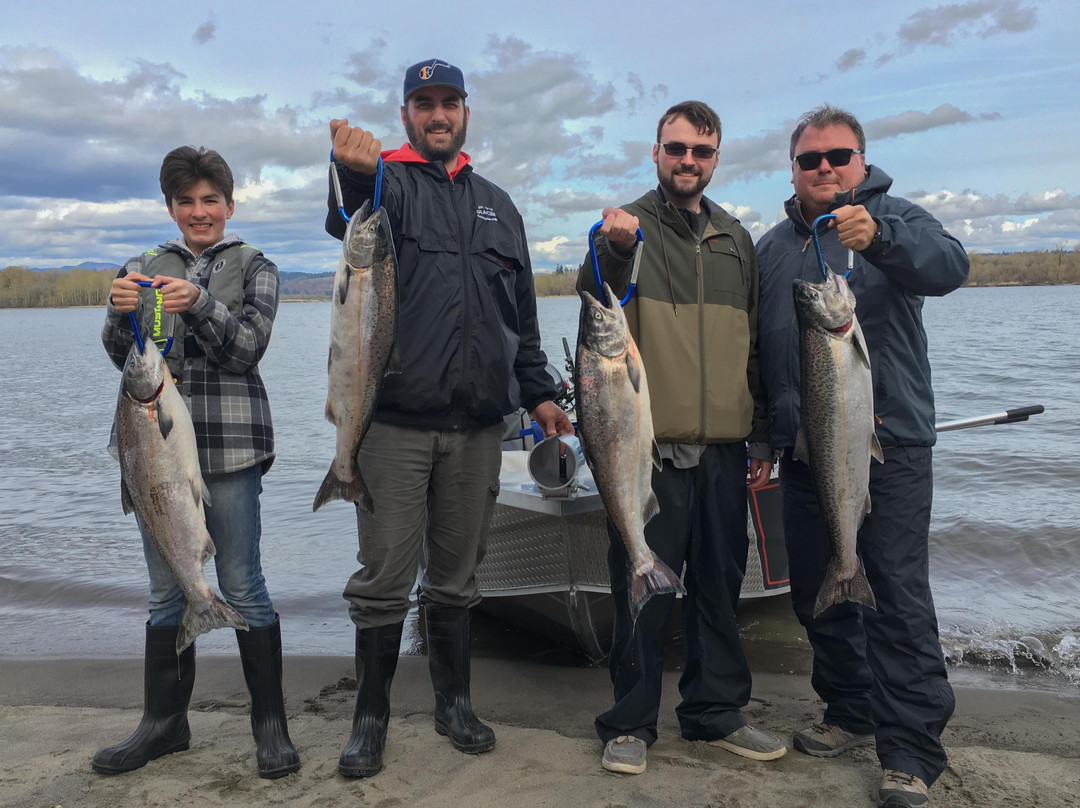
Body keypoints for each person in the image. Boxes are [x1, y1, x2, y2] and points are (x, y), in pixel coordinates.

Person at [325, 58, 573, 779]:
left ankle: (453, 702)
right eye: (423, 104)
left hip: (479, 431)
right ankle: (369, 717)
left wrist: (540, 394)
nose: (438, 115)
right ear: (405, 114)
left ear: (466, 112)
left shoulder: (501, 205)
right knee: (384, 578)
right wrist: (352, 173)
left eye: (449, 103)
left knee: (458, 578)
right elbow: (347, 222)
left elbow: (520, 321)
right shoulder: (387, 183)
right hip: (393, 424)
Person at [755, 104, 969, 808]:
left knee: (900, 600)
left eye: (837, 157)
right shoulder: (774, 248)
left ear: (862, 161)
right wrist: (763, 436)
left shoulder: (900, 218)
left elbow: (949, 268)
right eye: (810, 159)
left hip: (892, 445)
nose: (824, 169)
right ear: (792, 169)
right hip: (806, 449)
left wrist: (878, 239)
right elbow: (761, 352)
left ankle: (909, 752)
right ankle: (850, 710)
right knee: (819, 590)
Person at [578, 100, 786, 776]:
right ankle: (631, 723)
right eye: (676, 148)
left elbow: (750, 347)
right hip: (650, 452)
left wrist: (758, 438)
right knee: (642, 589)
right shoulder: (626, 231)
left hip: (728, 453)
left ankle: (714, 713)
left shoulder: (736, 240)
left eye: (700, 150)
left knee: (721, 589)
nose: (687, 161)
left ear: (716, 158)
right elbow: (595, 302)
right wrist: (613, 252)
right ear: (657, 153)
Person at [97, 146, 299, 779]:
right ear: (171, 208)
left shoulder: (256, 266)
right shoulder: (143, 265)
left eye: (210, 200)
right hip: (152, 457)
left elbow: (248, 349)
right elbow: (120, 353)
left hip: (232, 450)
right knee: (165, 592)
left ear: (229, 205)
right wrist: (117, 308)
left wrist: (201, 305)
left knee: (241, 583)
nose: (198, 212)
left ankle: (270, 729)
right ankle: (164, 725)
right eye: (186, 202)